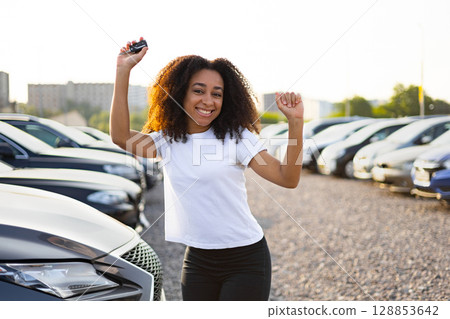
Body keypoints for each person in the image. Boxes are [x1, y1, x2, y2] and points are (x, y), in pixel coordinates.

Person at [110, 40, 304, 301]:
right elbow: (121, 136)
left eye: (217, 93)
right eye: (198, 91)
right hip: (198, 259)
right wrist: (123, 70)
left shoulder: (237, 137)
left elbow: (287, 178)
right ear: (180, 94)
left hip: (245, 259)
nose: (208, 101)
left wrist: (296, 123)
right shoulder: (167, 141)